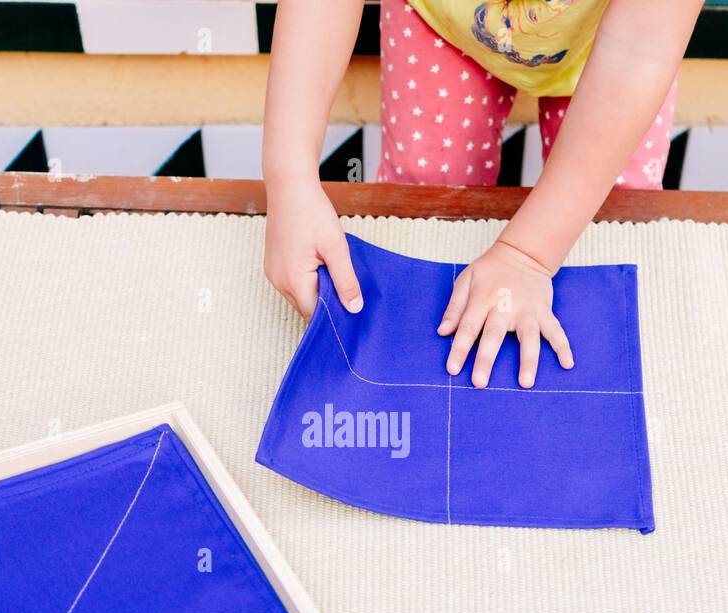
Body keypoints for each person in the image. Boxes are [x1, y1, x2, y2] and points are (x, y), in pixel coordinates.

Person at [262, 0, 702, 388]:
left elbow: (639, 51)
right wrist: (290, 181)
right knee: (425, 202)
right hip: (447, 19)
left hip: (613, 45)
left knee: (615, 223)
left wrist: (527, 255)